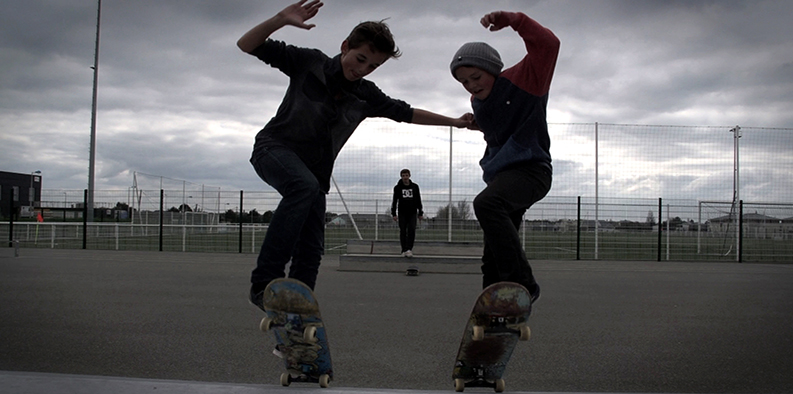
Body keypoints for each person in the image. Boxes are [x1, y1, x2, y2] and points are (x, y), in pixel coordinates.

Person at [238, 0, 472, 310]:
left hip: (314, 175)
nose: (361, 70)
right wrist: (281, 18)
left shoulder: (366, 94)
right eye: (359, 59)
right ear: (345, 46)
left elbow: (407, 112)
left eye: (372, 66)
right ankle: (264, 285)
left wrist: (455, 122)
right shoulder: (309, 62)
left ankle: (296, 309)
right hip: (273, 149)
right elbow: (247, 44)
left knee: (311, 248)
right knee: (302, 187)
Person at [449, 10, 560, 304]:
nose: (472, 86)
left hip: (532, 170)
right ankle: (493, 307)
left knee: (487, 203)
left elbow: (549, 45)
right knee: (492, 252)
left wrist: (515, 20)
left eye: (476, 77)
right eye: (464, 82)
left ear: (493, 70)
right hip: (503, 176)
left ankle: (523, 284)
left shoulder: (525, 78)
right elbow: (500, 128)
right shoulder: (478, 102)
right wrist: (476, 124)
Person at [390, 169, 424, 257]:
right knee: (403, 230)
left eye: (406, 175)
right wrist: (393, 213)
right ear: (401, 176)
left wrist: (420, 212)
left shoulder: (415, 187)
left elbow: (418, 199)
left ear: (409, 176)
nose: (405, 177)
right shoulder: (397, 188)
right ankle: (404, 249)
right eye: (403, 176)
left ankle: (409, 249)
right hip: (402, 212)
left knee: (412, 229)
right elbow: (395, 200)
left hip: (412, 212)